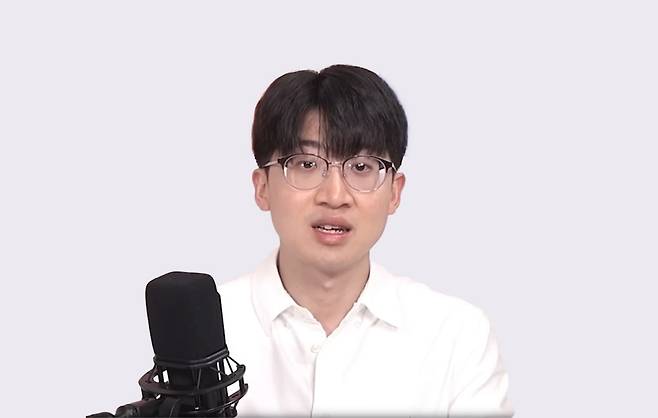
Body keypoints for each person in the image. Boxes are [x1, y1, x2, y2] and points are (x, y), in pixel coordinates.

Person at [218, 64, 513, 417]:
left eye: (361, 167)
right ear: (262, 187)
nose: (335, 196)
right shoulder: (204, 327)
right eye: (307, 164)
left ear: (394, 193)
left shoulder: (456, 337)